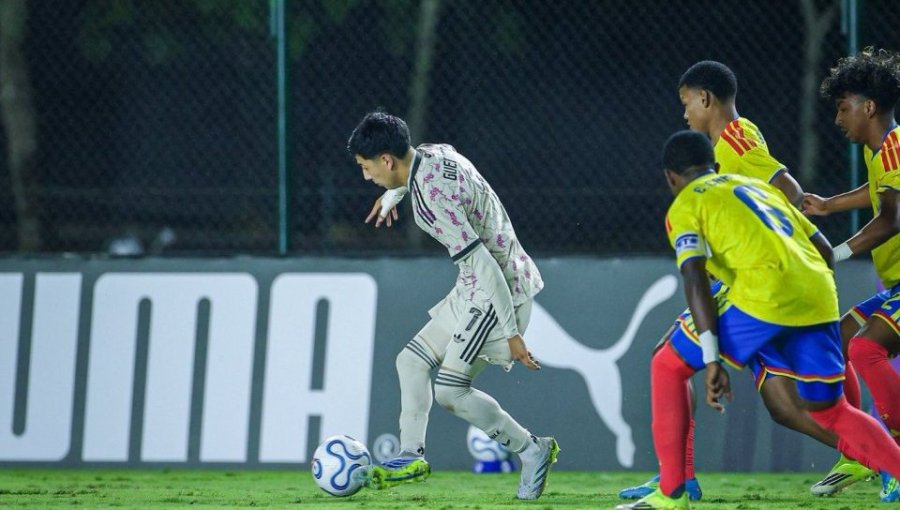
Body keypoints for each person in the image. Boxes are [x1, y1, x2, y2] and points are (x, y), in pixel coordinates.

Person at [619, 60, 869, 502]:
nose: (684, 115)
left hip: (756, 290)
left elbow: (787, 190)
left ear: (704, 99)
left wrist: (795, 243)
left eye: (685, 104)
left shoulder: (734, 142)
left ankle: (871, 457)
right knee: (778, 404)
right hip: (750, 283)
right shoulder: (734, 136)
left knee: (685, 368)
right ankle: (679, 479)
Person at [346, 111, 559, 500]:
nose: (366, 177)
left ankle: (532, 450)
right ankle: (410, 455)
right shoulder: (435, 152)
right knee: (409, 362)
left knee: (450, 391)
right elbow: (430, 176)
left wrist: (512, 334)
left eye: (366, 168)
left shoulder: (429, 205)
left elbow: (486, 267)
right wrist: (395, 191)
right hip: (479, 284)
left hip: (499, 292)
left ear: (387, 160)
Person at [802, 47, 900, 502]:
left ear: (869, 107)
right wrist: (829, 204)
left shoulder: (896, 146)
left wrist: (834, 253)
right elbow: (878, 192)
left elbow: (892, 218)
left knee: (865, 348)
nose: (839, 118)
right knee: (837, 341)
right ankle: (862, 453)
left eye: (844, 108)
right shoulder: (880, 149)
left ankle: (894, 455)